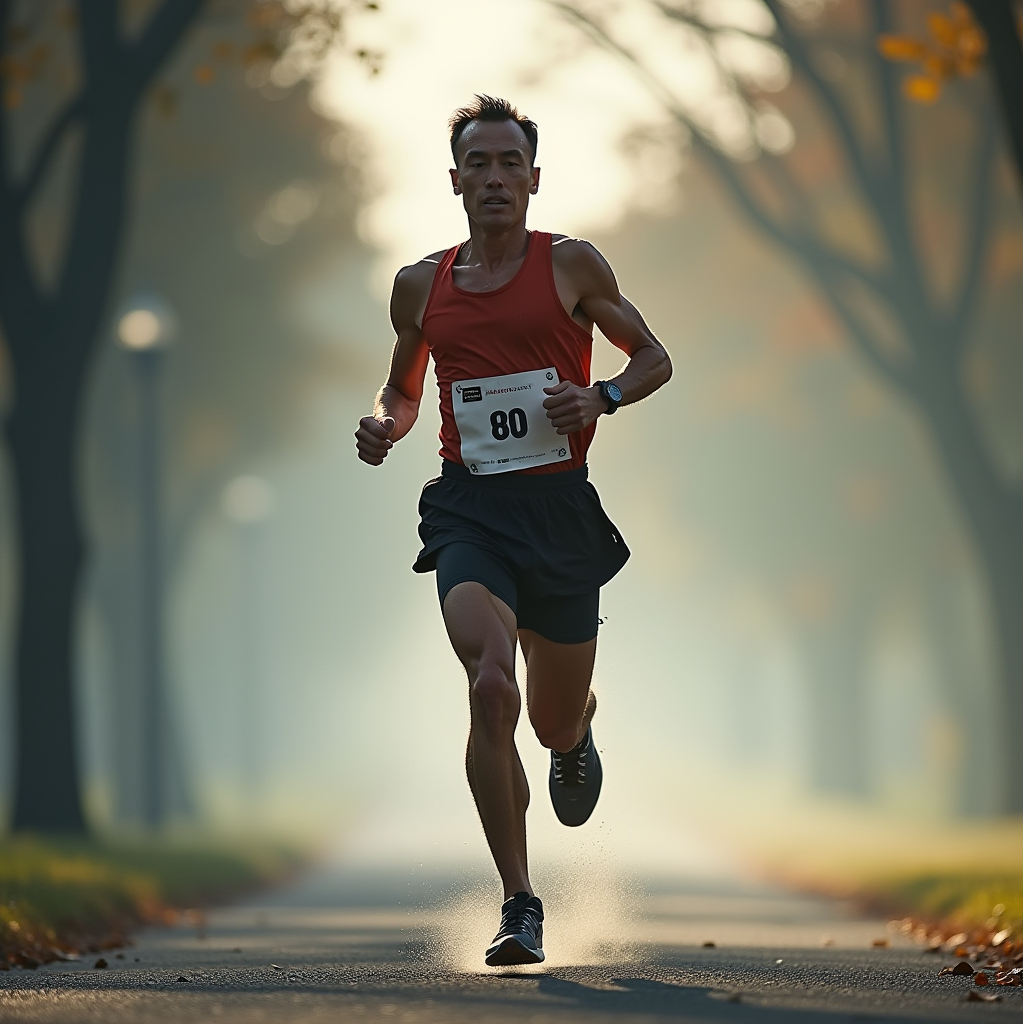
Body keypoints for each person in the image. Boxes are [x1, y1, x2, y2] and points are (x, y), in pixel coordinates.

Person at [355, 95, 671, 966]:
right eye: (478, 164)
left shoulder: (571, 267)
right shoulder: (421, 285)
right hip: (470, 510)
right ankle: (520, 902)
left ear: (534, 178)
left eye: (509, 163)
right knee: (490, 684)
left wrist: (598, 395)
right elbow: (404, 387)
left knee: (548, 721)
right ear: (454, 180)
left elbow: (653, 358)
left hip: (560, 509)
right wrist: (385, 421)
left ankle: (577, 730)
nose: (495, 178)